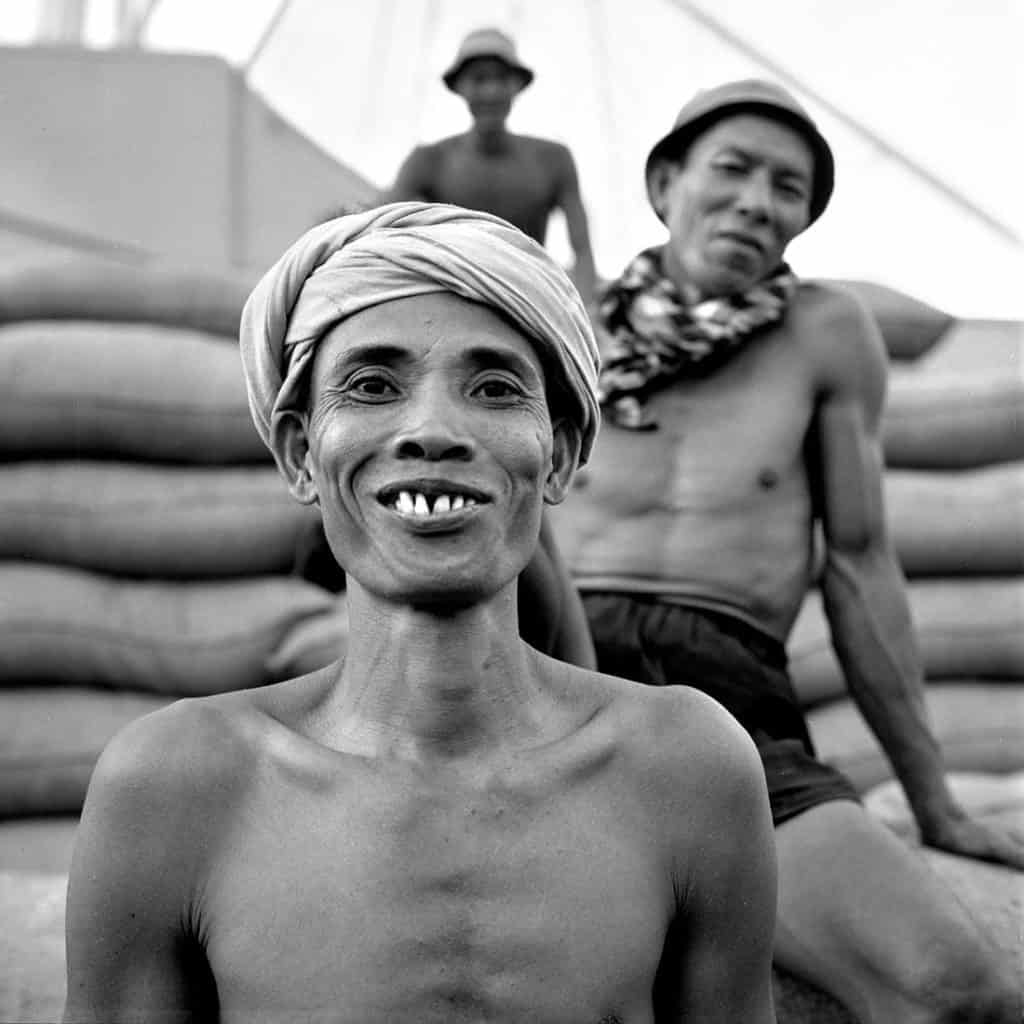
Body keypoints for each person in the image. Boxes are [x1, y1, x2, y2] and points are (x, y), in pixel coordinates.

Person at [62, 202, 779, 1023]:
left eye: (495, 388)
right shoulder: (172, 788)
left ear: (564, 452)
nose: (432, 429)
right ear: (301, 452)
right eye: (372, 386)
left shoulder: (688, 770)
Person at [548, 79, 1024, 1022]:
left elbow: (860, 564)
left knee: (956, 993)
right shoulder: (561, 320)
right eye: (733, 170)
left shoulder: (827, 332)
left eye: (790, 188)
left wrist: (932, 800)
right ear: (663, 182)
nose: (760, 203)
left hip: (731, 699)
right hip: (548, 664)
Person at [386, 27, 598, 307]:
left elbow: (582, 249)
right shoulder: (429, 161)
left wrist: (586, 313)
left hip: (526, 300)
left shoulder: (553, 159)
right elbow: (379, 231)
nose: (491, 91)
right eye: (479, 79)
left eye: (501, 79)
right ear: (460, 86)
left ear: (517, 85)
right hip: (448, 298)